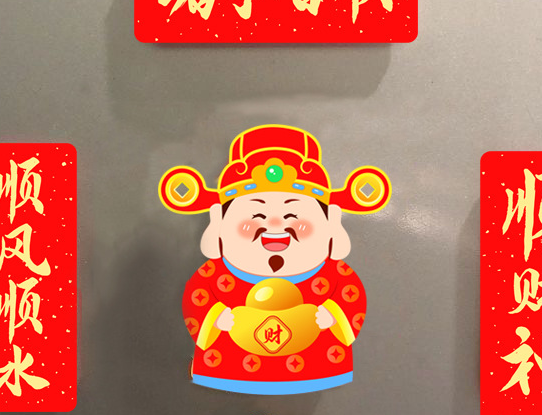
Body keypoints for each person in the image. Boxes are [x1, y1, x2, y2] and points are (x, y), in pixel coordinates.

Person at [160, 124, 391, 394]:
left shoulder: (335, 275)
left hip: (315, 370)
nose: (274, 227)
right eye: (254, 218)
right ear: (220, 223)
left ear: (330, 223)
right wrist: (216, 320)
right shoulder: (214, 275)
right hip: (228, 369)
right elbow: (197, 300)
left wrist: (332, 317)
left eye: (296, 219)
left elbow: (351, 299)